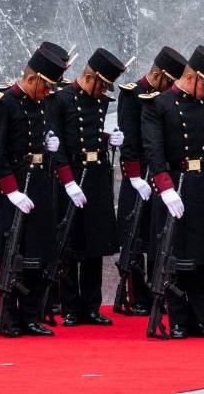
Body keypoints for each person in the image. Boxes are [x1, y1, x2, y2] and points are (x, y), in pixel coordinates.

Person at [142, 45, 204, 339]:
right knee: (176, 258)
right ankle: (179, 319)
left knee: (203, 258)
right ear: (191, 77)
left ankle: (200, 317)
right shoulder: (159, 105)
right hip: (177, 184)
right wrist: (165, 189)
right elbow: (154, 152)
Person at [0, 44, 72, 337]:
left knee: (37, 252)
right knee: (11, 254)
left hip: (39, 184)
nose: (47, 93)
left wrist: (48, 150)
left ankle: (31, 315)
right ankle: (7, 317)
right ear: (33, 79)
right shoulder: (4, 102)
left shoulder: (42, 103)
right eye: (45, 86)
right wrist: (11, 190)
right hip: (13, 189)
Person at [54, 48, 128, 326]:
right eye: (102, 85)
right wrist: (67, 181)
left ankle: (92, 306)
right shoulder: (62, 100)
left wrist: (111, 139)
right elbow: (58, 145)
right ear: (90, 77)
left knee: (95, 244)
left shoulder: (98, 102)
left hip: (96, 176)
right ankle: (71, 306)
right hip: (73, 175)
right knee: (71, 244)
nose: (103, 92)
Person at [114, 46, 186, 316]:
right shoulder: (131, 94)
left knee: (157, 236)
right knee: (135, 238)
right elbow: (129, 141)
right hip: (139, 177)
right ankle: (137, 296)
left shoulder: (167, 99)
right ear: (158, 75)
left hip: (159, 173)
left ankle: (159, 290)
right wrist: (133, 176)